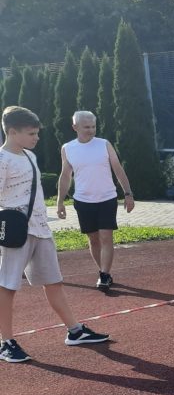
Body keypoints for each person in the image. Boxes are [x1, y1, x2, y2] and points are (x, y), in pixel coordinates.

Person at [1, 106, 110, 363]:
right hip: (16, 231)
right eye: (31, 133)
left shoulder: (29, 156)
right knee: (7, 286)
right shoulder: (2, 160)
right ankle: (6, 342)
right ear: (12, 132)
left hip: (40, 228)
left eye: (37, 133)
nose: (36, 138)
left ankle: (75, 331)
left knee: (53, 281)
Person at [56, 110, 134, 291]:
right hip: (83, 200)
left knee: (106, 236)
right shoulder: (67, 148)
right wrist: (60, 201)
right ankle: (103, 271)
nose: (91, 130)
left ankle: (104, 275)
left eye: (93, 126)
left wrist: (128, 193)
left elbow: (118, 169)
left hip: (107, 198)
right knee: (93, 239)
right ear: (75, 127)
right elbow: (65, 176)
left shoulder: (104, 144)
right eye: (86, 127)